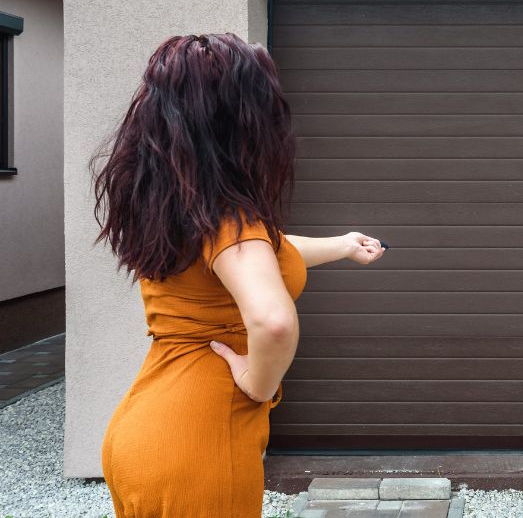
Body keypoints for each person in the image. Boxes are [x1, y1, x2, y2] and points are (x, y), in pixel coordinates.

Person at [90, 32, 386, 517]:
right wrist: (258, 383)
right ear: (238, 122)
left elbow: (261, 254)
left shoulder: (181, 205)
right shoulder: (229, 217)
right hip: (199, 446)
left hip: (144, 432)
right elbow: (273, 321)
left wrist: (342, 245)